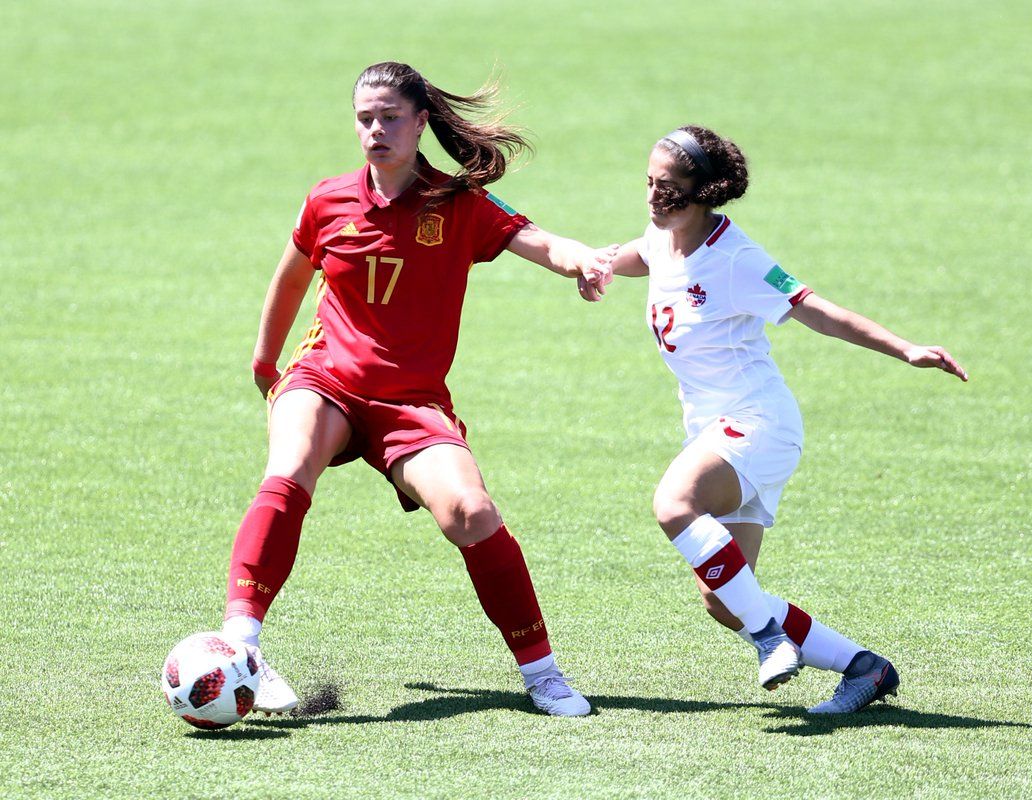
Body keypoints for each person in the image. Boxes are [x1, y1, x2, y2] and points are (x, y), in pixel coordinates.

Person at [221, 62, 614, 718]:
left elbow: (533, 238)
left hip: (411, 400)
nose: (375, 130)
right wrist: (267, 366)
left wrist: (577, 259)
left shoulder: (455, 202)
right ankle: (242, 648)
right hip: (327, 379)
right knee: (288, 470)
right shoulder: (327, 199)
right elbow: (289, 280)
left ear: (420, 122)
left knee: (471, 513)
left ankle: (542, 673)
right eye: (365, 119)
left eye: (390, 118)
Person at [594, 126, 968, 713]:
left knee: (673, 505)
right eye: (648, 182)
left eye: (665, 188)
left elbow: (818, 312)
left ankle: (771, 640)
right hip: (713, 431)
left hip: (756, 423)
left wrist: (905, 348)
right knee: (723, 600)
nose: (651, 197)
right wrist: (592, 266)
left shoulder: (737, 259)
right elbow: (637, 255)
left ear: (702, 192)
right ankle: (864, 669)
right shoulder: (661, 234)